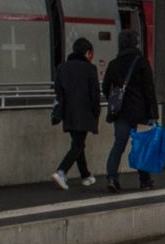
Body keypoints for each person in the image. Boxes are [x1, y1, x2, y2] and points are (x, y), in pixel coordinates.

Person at [103, 29, 158, 193]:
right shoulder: (141, 62)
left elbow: (106, 86)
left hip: (120, 112)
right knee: (139, 146)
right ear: (135, 43)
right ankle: (144, 180)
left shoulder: (114, 64)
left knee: (118, 145)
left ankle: (112, 178)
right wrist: (153, 113)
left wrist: (115, 99)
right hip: (139, 112)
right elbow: (149, 89)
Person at [50, 37, 101, 189]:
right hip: (85, 113)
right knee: (77, 145)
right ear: (88, 52)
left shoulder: (63, 67)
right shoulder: (90, 69)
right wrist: (96, 113)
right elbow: (95, 94)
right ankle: (61, 171)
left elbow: (58, 92)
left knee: (77, 144)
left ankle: (86, 175)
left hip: (68, 112)